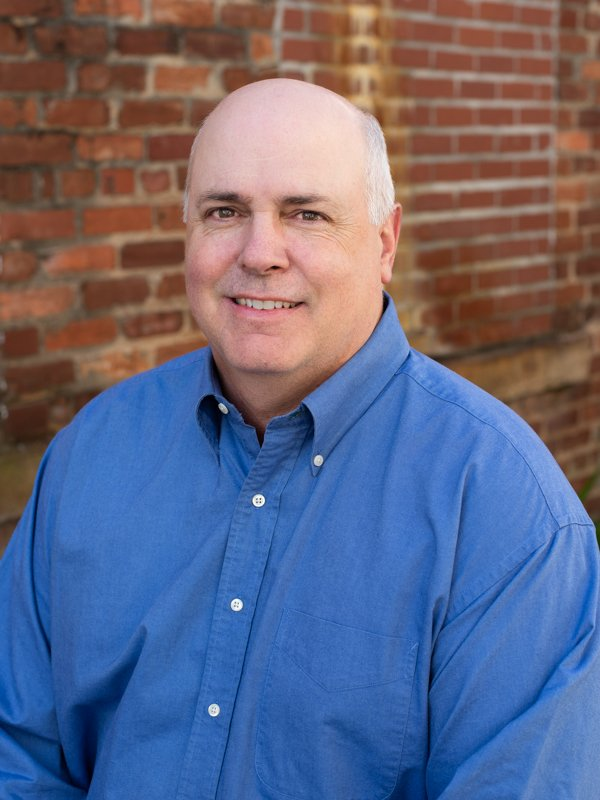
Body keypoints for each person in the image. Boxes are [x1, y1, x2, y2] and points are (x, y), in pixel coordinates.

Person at [1, 79, 599, 800]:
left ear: (385, 242)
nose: (261, 252)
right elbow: (18, 756)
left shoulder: (504, 512)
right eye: (225, 211)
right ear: (187, 230)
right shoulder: (91, 456)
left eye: (306, 214)